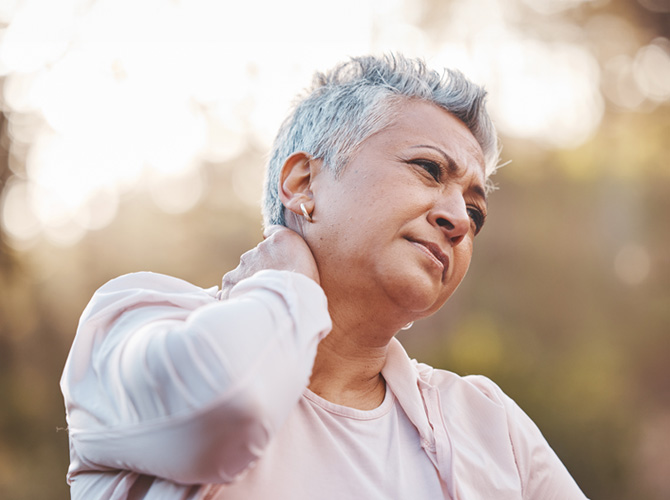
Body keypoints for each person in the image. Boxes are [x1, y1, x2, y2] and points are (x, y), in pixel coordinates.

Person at [60, 54, 589, 499]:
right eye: (429, 170)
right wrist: (290, 280)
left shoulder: (487, 423)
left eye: (475, 213)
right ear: (302, 182)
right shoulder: (132, 322)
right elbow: (224, 412)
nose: (458, 221)